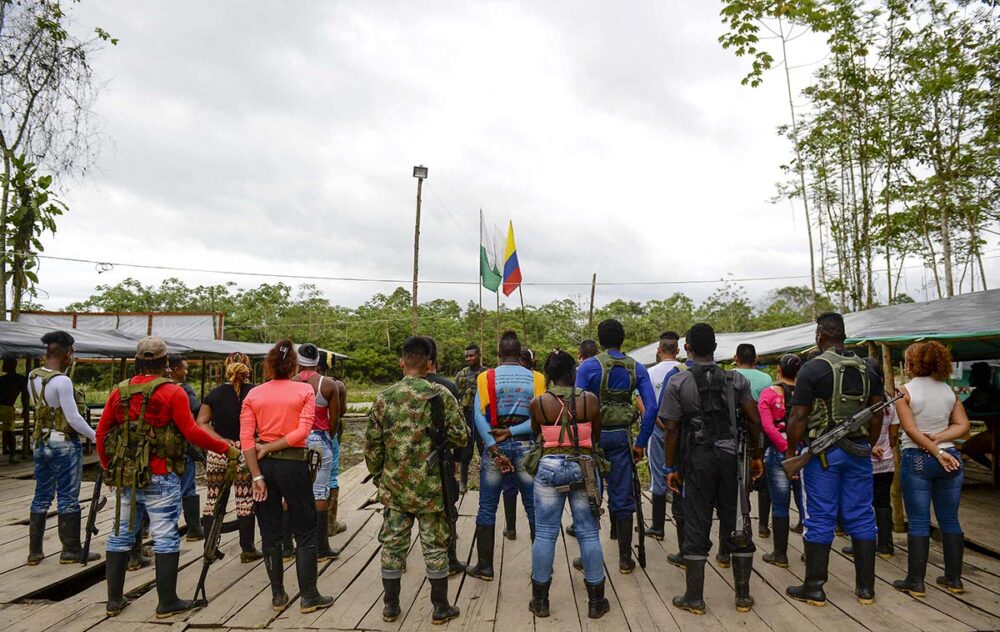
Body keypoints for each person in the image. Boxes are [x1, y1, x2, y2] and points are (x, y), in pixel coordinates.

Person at [98, 337, 237, 618]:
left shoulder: (119, 392)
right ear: (165, 363)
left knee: (120, 535)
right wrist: (226, 447)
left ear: (138, 361)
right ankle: (167, 602)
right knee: (165, 537)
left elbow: (102, 433)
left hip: (126, 477)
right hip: (161, 475)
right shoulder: (173, 392)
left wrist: (107, 468)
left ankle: (114, 601)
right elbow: (192, 432)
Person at [784, 312, 884, 607]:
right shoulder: (869, 368)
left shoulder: (812, 369)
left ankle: (815, 587)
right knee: (862, 514)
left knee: (820, 516)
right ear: (844, 335)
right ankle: (866, 589)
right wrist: (869, 444)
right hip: (859, 451)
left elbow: (798, 417)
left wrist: (791, 453)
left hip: (822, 455)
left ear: (819, 336)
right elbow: (878, 413)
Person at [663, 323, 764, 614]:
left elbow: (671, 428)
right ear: (716, 348)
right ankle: (743, 597)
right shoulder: (736, 380)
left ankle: (694, 598)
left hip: (696, 462)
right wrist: (756, 456)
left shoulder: (678, 382)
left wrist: (671, 466)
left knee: (696, 521)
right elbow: (754, 421)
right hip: (733, 461)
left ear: (687, 349)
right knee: (738, 519)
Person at [366, 336, 467, 624]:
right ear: (428, 364)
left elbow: (372, 446)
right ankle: (440, 608)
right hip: (431, 488)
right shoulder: (441, 395)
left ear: (402, 362)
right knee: (435, 545)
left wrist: (379, 478)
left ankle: (390, 606)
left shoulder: (384, 397)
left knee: (393, 545)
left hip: (395, 487)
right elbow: (460, 436)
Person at [241, 340, 333, 615]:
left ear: (267, 366)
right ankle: (309, 596)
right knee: (305, 531)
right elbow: (302, 433)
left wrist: (257, 474)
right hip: (293, 466)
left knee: (270, 532)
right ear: (292, 365)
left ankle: (278, 595)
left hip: (264, 469)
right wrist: (272, 447)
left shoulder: (254, 395)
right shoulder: (304, 390)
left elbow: (246, 439)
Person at [528, 350, 609, 619]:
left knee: (544, 534)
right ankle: (596, 602)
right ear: (572, 372)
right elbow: (595, 435)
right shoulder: (590, 400)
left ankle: (540, 601)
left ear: (549, 376)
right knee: (588, 533)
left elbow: (537, 433)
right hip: (583, 466)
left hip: (549, 467)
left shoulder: (538, 402)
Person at [575, 319, 657, 574]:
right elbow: (652, 407)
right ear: (623, 340)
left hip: (593, 439)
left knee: (589, 493)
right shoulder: (637, 367)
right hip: (622, 438)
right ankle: (624, 559)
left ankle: (589, 555)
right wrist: (641, 442)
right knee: (622, 495)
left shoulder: (588, 367)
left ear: (600, 340)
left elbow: (578, 405)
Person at [892, 341, 970, 597]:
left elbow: (911, 430)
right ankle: (954, 579)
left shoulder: (904, 392)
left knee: (918, 521)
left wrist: (932, 446)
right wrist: (941, 441)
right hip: (950, 458)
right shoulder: (949, 392)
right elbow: (963, 426)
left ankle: (916, 581)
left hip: (918, 458)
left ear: (911, 364)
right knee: (950, 519)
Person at [467, 331, 544, 581]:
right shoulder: (538, 379)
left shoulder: (485, 377)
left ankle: (485, 567)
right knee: (533, 507)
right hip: (526, 448)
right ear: (520, 354)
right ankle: (541, 567)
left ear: (499, 354)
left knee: (487, 507)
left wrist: (493, 447)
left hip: (494, 451)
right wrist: (511, 431)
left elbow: (478, 416)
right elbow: (539, 419)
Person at [27, 331, 100, 566]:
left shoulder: (32, 377)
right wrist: (96, 436)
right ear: (67, 353)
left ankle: (35, 551)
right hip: (63, 444)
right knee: (68, 496)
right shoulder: (62, 381)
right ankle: (70, 550)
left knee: (41, 495)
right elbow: (74, 419)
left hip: (41, 442)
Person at [197, 352, 261, 563]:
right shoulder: (256, 393)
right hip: (246, 452)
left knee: (213, 499)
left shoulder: (214, 395)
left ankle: (210, 546)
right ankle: (248, 549)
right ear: (247, 368)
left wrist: (221, 441)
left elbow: (202, 423)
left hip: (218, 452)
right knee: (245, 499)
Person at [843, 358, 898, 559]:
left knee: (862, 505)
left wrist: (871, 446)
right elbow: (893, 435)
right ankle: (885, 544)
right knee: (883, 502)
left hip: (864, 460)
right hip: (887, 461)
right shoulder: (890, 402)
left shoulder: (864, 402)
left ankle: (861, 544)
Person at [422, 337, 469, 576]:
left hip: (405, 466)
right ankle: (450, 559)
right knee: (448, 508)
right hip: (441, 460)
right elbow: (460, 430)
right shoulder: (448, 387)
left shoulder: (399, 391)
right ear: (433, 360)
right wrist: (459, 459)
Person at [293, 343, 340, 563]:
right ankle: (322, 548)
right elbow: (334, 420)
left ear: (298, 360)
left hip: (294, 441)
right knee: (319, 491)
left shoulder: (290, 383)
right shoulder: (328, 384)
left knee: (290, 492)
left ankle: (287, 546)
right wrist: (327, 437)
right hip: (319, 440)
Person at [758, 353, 804, 568]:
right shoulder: (807, 393)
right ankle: (810, 551)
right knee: (807, 503)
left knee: (780, 504)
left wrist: (786, 449)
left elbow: (767, 426)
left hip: (779, 454)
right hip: (805, 453)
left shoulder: (768, 394)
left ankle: (780, 553)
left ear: (779, 370)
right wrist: (797, 450)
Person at [733, 343, 774, 539]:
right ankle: (764, 525)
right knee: (762, 478)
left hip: (735, 434)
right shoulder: (766, 378)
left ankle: (740, 514)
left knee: (737, 477)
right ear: (756, 359)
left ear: (735, 358)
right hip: (760, 433)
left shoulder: (730, 376)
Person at [647, 332, 682, 541]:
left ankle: (658, 526)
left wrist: (659, 422)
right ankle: (681, 524)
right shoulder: (684, 371)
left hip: (657, 428)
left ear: (659, 350)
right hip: (680, 429)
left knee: (658, 474)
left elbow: (647, 403)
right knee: (679, 471)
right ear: (677, 351)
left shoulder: (650, 373)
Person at [566, 338, 602, 541]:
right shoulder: (605, 366)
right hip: (614, 429)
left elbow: (576, 400)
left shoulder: (583, 369)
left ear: (580, 355)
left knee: (590, 473)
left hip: (586, 430)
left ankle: (588, 517)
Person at [168, 355, 206, 542]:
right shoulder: (185, 390)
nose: (186, 371)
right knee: (187, 488)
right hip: (183, 447)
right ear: (175, 369)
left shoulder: (159, 388)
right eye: (184, 368)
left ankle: (158, 528)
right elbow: (197, 410)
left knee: (164, 488)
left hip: (163, 449)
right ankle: (193, 528)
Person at [319, 352, 348, 536]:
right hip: (330, 434)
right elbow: (341, 411)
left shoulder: (299, 382)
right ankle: (330, 524)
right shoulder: (337, 385)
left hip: (304, 436)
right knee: (330, 476)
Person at [455, 344, 487, 493]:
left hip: (483, 415)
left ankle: (487, 483)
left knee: (484, 448)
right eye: (467, 356)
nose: (469, 358)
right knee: (465, 450)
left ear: (479, 355)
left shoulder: (487, 373)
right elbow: (456, 396)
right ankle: (463, 483)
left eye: (472, 355)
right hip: (467, 414)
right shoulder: (461, 375)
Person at [959, 362, 999, 470]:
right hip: (991, 432)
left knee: (968, 447)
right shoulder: (977, 393)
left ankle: (995, 470)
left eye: (973, 374)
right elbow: (963, 406)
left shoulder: (994, 392)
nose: (971, 377)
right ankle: (994, 469)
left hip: (995, 433)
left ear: (981, 376)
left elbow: (991, 410)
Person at [0, 358, 29, 464]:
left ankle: (12, 454)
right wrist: (25, 408)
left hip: (7, 407)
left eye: (4, 364)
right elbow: (24, 397)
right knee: (8, 431)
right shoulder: (19, 379)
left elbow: (25, 397)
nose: (2, 366)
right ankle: (11, 454)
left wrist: (26, 409)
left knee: (8, 431)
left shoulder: (15, 380)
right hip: (7, 407)